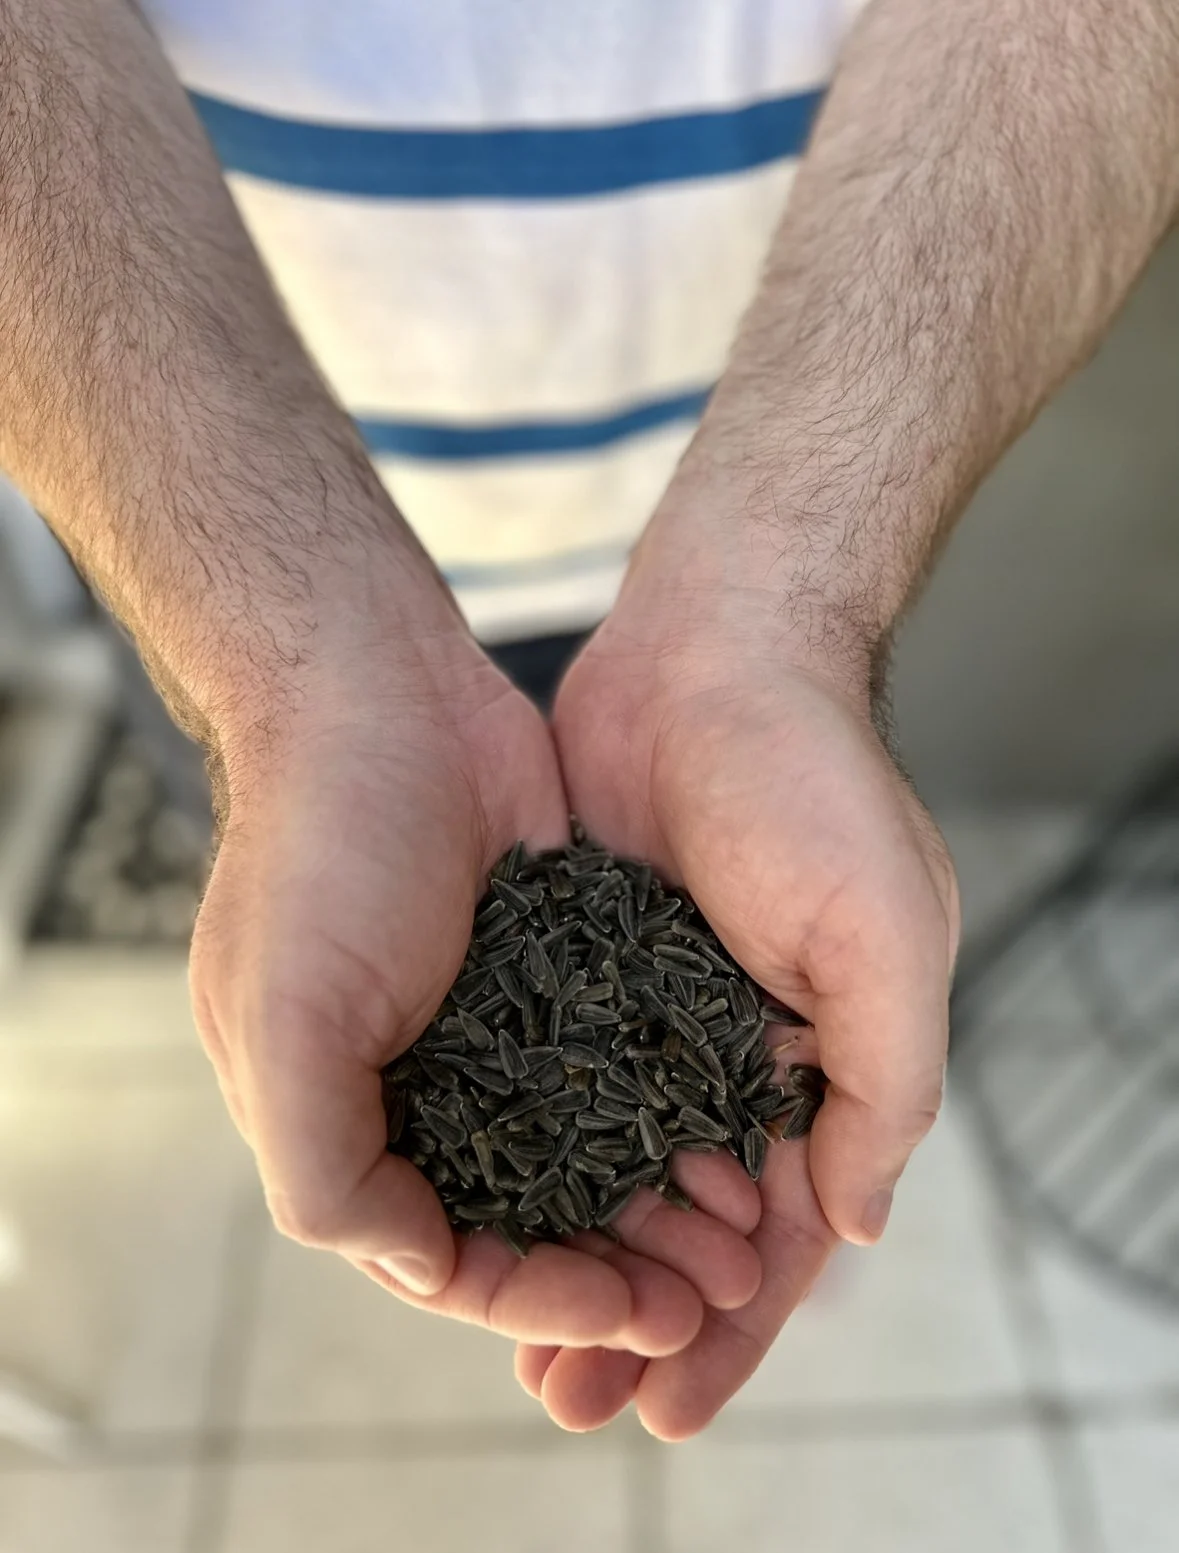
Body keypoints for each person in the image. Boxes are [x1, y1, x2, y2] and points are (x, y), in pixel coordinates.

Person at [0, 0, 1172, 1440]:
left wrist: (785, 612)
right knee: (334, 919)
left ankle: (768, 1151)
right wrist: (293, 690)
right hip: (217, 539)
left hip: (801, 468)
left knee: (790, 988)